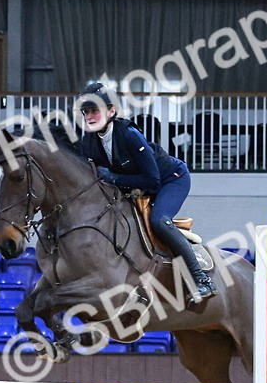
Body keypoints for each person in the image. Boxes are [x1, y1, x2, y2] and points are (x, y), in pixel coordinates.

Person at [75, 82, 215, 304]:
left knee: (159, 221)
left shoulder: (129, 134)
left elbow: (152, 180)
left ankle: (201, 280)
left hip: (171, 179)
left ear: (111, 111)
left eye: (95, 111)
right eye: (86, 112)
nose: (89, 116)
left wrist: (113, 178)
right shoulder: (88, 143)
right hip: (135, 188)